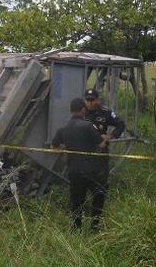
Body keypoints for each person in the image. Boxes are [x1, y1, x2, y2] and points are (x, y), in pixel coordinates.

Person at [52, 98, 108, 231]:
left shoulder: (63, 129)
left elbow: (54, 146)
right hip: (91, 170)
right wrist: (103, 143)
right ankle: (94, 226)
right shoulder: (88, 126)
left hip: (73, 171)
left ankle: (76, 229)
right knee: (99, 194)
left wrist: (66, 147)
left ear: (71, 110)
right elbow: (100, 143)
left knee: (76, 201)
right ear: (83, 110)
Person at [83, 88, 125, 172]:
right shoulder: (81, 112)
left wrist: (110, 136)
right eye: (87, 100)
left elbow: (121, 124)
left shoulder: (105, 112)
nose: (90, 103)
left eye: (92, 100)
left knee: (101, 176)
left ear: (97, 100)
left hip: (100, 149)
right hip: (84, 149)